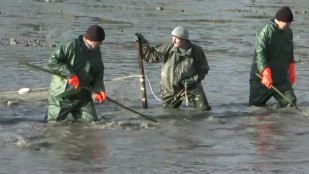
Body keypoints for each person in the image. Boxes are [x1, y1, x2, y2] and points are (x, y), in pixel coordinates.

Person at [135, 26, 211, 111]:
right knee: (169, 114)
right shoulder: (168, 47)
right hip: (169, 89)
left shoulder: (196, 50)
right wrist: (143, 43)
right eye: (173, 37)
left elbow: (203, 69)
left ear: (184, 40)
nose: (173, 41)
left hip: (191, 87)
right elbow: (150, 56)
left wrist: (193, 80)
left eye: (176, 38)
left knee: (204, 110)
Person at [46, 24, 106, 122]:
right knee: (52, 125)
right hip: (62, 95)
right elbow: (52, 62)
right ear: (91, 40)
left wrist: (99, 90)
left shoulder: (97, 53)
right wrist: (70, 74)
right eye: (99, 42)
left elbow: (98, 75)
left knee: (93, 125)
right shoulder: (70, 46)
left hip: (83, 97)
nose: (101, 44)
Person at [249, 6, 297, 107]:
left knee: (291, 104)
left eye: (290, 23)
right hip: (261, 79)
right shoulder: (265, 30)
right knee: (255, 108)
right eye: (287, 23)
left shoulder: (288, 32)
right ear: (279, 20)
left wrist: (292, 70)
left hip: (281, 79)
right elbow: (260, 53)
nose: (289, 25)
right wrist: (265, 73)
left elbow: (290, 52)